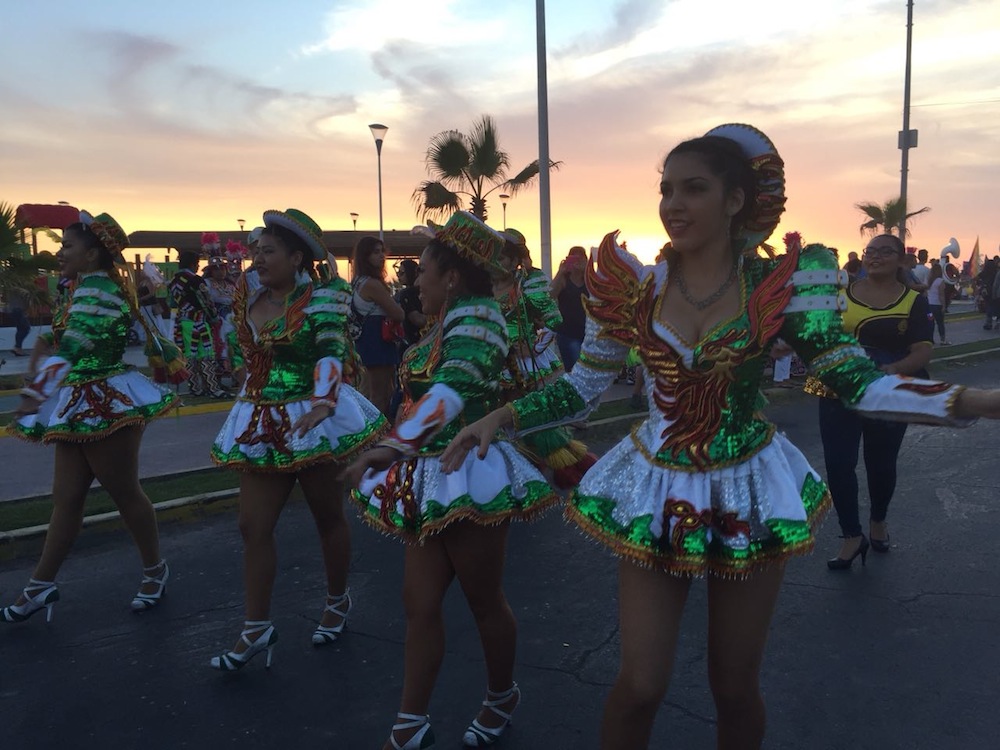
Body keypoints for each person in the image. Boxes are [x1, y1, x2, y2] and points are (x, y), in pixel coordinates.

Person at [441, 124, 1000, 750]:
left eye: (694, 189)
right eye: (666, 189)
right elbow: (581, 387)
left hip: (746, 489)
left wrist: (973, 399)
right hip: (657, 485)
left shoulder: (779, 287)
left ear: (736, 201)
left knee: (733, 687)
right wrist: (504, 416)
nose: (673, 204)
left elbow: (857, 382)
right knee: (639, 686)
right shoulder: (637, 290)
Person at [342, 212, 558, 750]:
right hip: (429, 471)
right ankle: (409, 721)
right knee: (418, 601)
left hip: (470, 472)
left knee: (484, 601)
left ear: (453, 277)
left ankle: (502, 694)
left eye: (423, 272)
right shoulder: (448, 318)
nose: (415, 282)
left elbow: (456, 385)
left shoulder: (480, 317)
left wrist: (393, 445)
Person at [209, 208, 387, 670]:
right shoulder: (249, 295)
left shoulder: (323, 297)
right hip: (260, 418)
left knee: (327, 517)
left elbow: (330, 350)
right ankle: (256, 627)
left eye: (268, 252)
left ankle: (336, 599)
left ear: (296, 258)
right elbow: (253, 353)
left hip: (311, 414)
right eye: (256, 251)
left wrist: (325, 402)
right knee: (252, 525)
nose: (258, 259)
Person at [4, 211, 184, 623]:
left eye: (67, 246)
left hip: (106, 400)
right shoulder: (83, 288)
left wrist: (37, 391)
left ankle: (155, 571)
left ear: (91, 255)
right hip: (76, 400)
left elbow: (78, 343)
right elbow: (62, 333)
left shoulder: (100, 289)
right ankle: (40, 586)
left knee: (124, 494)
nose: (58, 252)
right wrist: (38, 352)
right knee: (66, 501)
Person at [805, 234, 933, 567]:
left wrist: (891, 370)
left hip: (887, 393)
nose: (874, 257)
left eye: (884, 252)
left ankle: (878, 521)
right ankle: (851, 535)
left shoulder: (913, 301)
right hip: (838, 391)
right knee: (838, 463)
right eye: (870, 251)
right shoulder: (839, 296)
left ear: (901, 260)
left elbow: (922, 351)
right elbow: (818, 336)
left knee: (880, 464)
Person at [496, 228, 595, 488]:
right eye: (496, 256)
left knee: (526, 416)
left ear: (515, 258)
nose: (500, 262)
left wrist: (535, 345)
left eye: (505, 256)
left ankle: (536, 469)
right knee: (498, 418)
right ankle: (509, 471)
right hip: (493, 360)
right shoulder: (483, 284)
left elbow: (553, 318)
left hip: (522, 363)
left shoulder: (529, 282)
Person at [350, 236, 405, 416]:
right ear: (365, 256)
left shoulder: (358, 281)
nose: (381, 256)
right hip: (377, 340)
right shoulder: (372, 284)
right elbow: (398, 313)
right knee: (380, 395)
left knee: (370, 391)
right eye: (376, 252)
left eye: (382, 252)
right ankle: (375, 436)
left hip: (366, 339)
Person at [170, 246, 225, 397]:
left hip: (183, 323)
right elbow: (206, 301)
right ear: (193, 264)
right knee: (206, 354)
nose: (199, 266)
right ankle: (213, 389)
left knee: (190, 356)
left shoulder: (174, 282)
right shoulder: (195, 279)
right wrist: (214, 317)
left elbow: (172, 304)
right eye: (197, 263)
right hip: (198, 323)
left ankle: (195, 388)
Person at [550, 246, 587, 371]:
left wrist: (588, 270)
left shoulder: (589, 281)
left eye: (580, 258)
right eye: (574, 258)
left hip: (587, 333)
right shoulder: (564, 280)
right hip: (567, 333)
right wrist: (560, 272)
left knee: (587, 370)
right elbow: (550, 295)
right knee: (576, 369)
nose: (577, 262)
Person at [394, 258, 426, 348]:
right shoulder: (425, 289)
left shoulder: (406, 294)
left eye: (402, 273)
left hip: (412, 342)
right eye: (398, 273)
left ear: (410, 272)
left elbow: (417, 320)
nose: (398, 276)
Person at [926, 263, 950, 345]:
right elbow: (941, 295)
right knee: (940, 323)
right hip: (937, 305)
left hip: (929, 305)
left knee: (930, 322)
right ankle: (942, 340)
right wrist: (943, 306)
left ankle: (930, 339)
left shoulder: (928, 281)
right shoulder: (940, 281)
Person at [6, 287, 32, 356]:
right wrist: (26, 311)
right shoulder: (24, 291)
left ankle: (18, 348)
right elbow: (27, 301)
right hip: (19, 310)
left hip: (12, 311)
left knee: (20, 329)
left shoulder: (11, 290)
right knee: (25, 329)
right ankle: (17, 348)